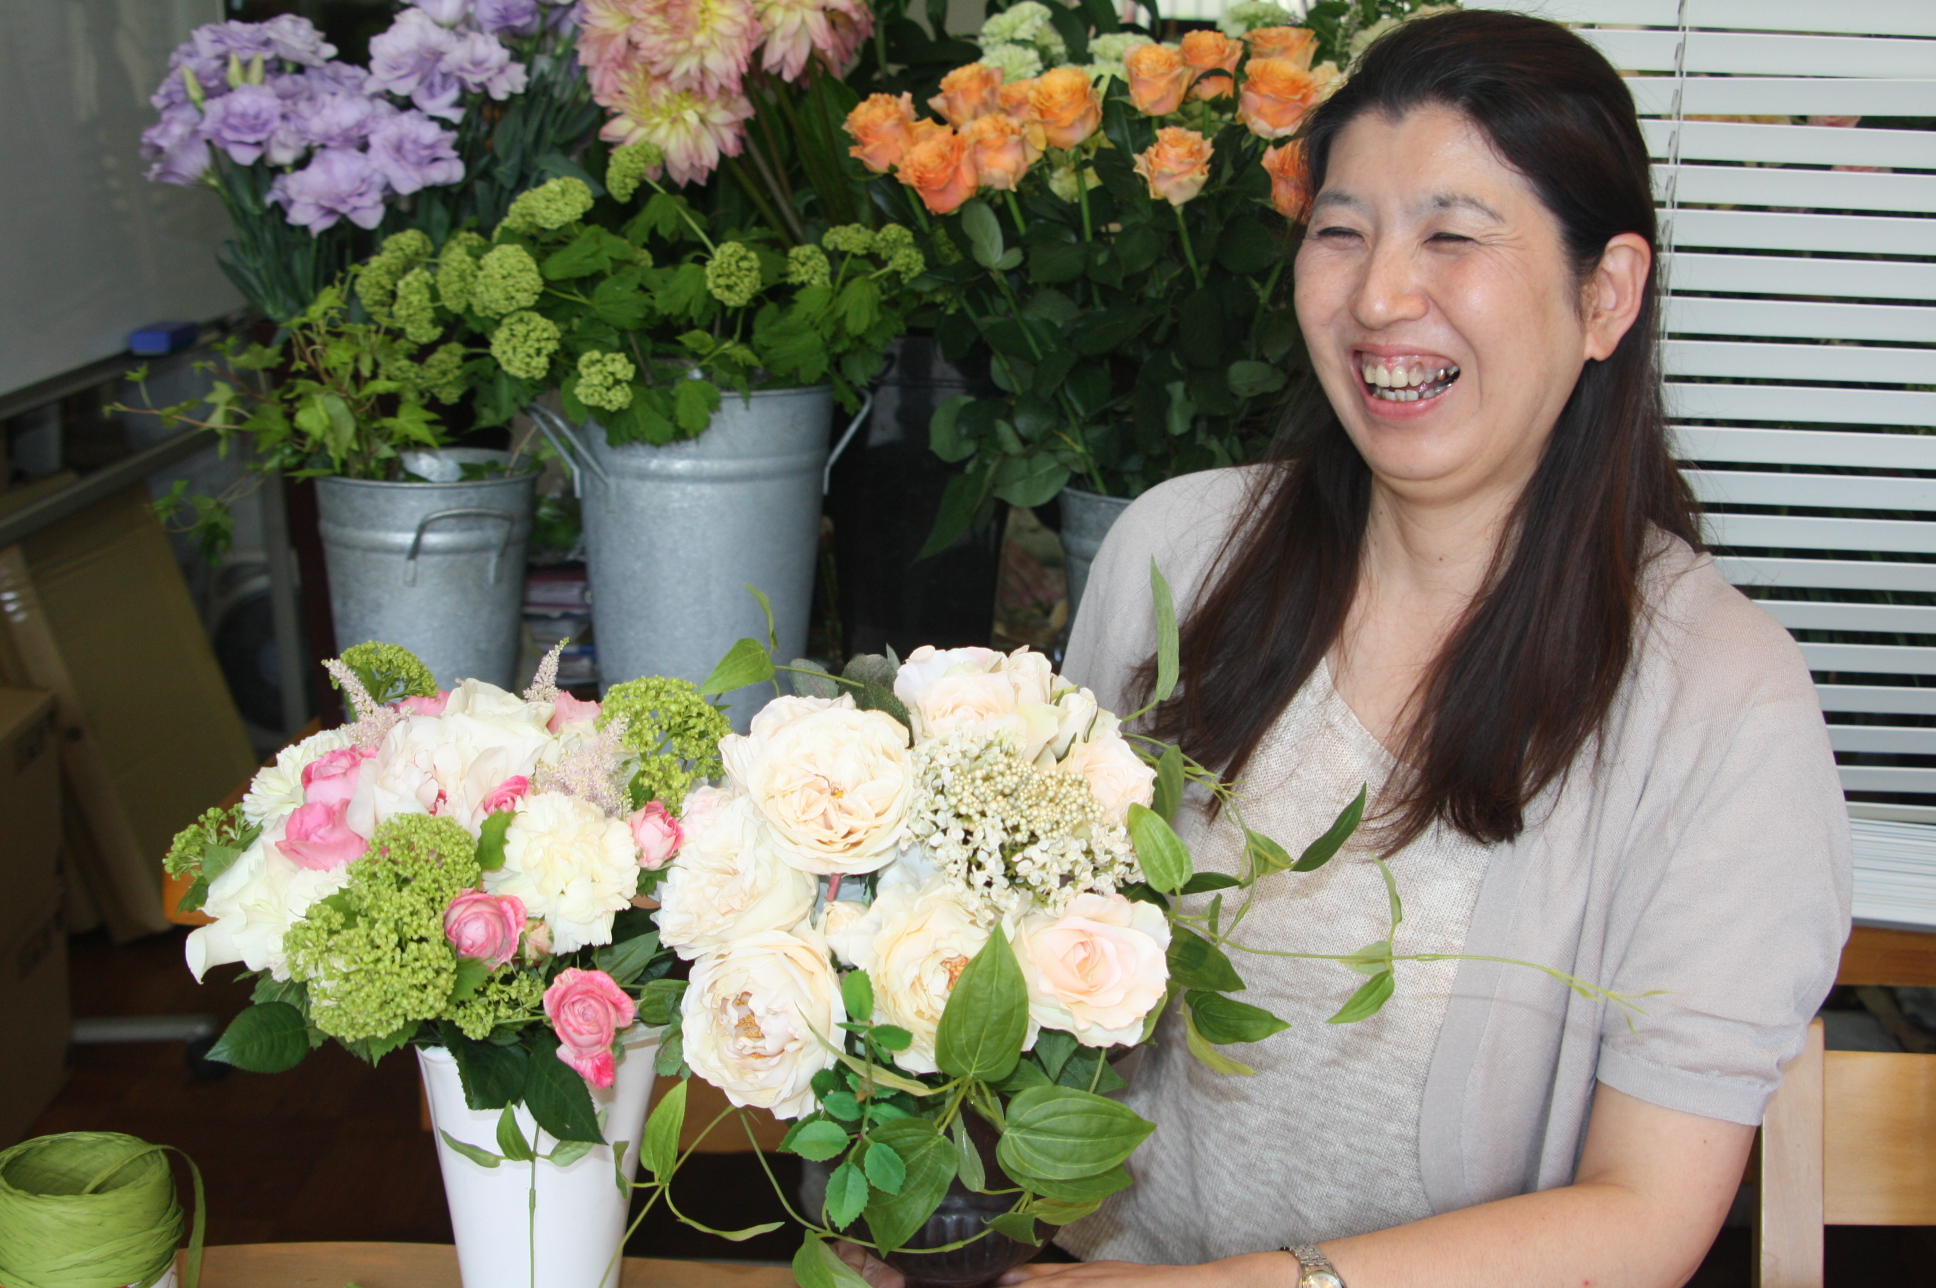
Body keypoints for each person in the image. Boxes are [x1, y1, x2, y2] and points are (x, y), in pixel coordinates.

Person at [1009, 10, 1850, 1288]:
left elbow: (1644, 1215)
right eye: (1340, 231)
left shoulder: (1724, 700)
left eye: (1452, 236)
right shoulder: (1175, 552)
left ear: (1604, 294)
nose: (1378, 296)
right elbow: (1031, 979)